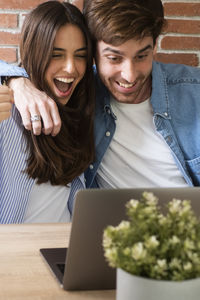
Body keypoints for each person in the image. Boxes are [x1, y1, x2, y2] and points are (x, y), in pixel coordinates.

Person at [1, 0, 200, 199]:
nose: (129, 76)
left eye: (141, 56)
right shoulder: (80, 91)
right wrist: (17, 82)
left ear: (154, 46)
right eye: (114, 58)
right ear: (93, 52)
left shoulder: (193, 91)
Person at [0, 1, 95, 223]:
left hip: (66, 251)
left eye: (80, 55)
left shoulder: (83, 105)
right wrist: (16, 80)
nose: (71, 68)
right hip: (13, 254)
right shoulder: (8, 112)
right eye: (56, 54)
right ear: (35, 52)